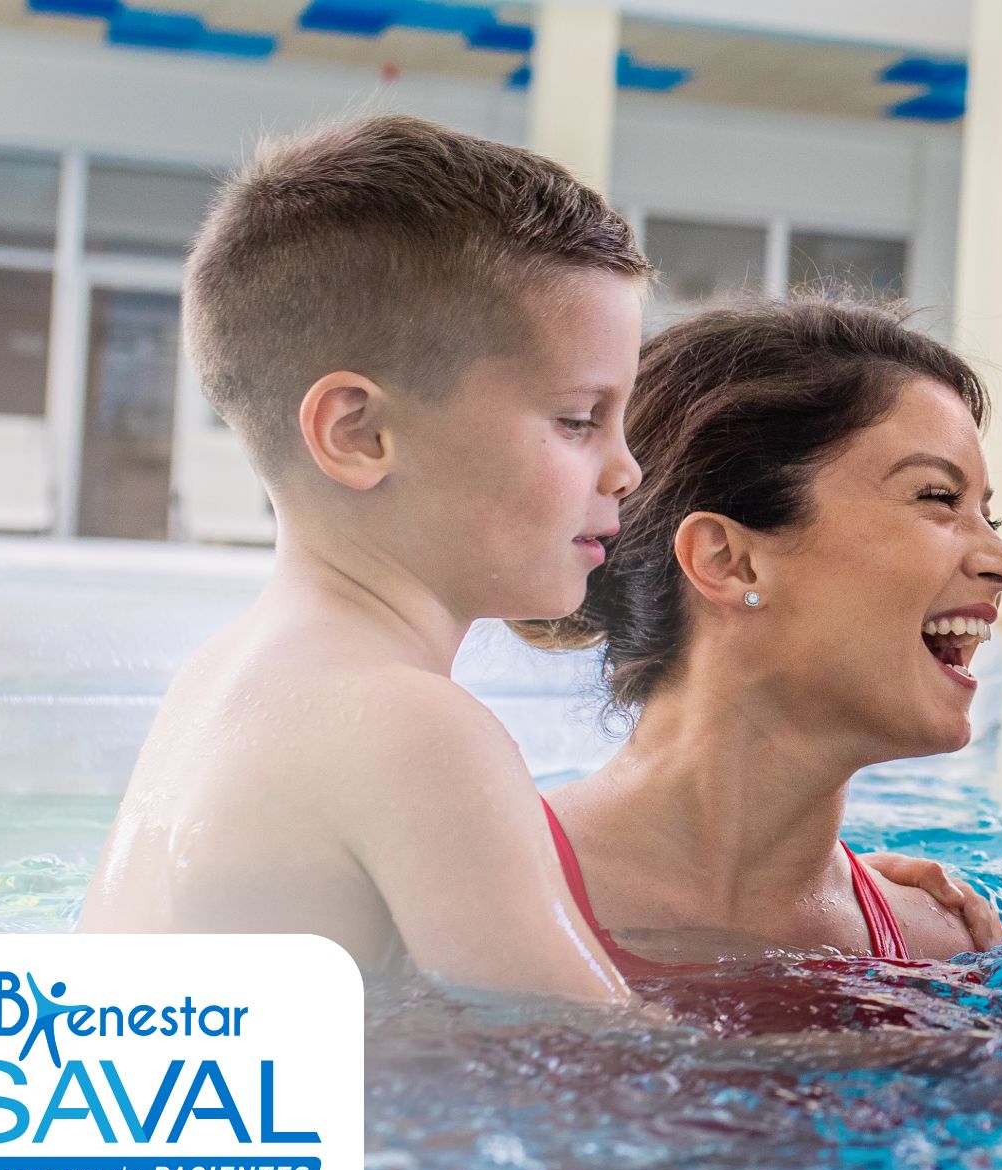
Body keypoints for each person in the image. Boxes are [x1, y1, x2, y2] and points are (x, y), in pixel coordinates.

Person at [80, 115, 644, 1003]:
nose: (627, 467)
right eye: (578, 418)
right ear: (360, 432)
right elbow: (615, 1073)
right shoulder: (416, 730)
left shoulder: (223, 678)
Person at [518, 298, 1002, 970]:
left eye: (989, 517)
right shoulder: (469, 888)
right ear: (730, 561)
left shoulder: (947, 938)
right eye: (937, 498)